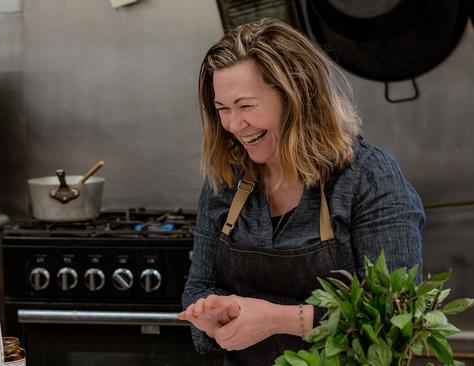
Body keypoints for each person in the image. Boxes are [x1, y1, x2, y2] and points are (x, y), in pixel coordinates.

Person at [178, 18, 425, 365]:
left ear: (297, 95)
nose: (234, 124)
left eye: (246, 105)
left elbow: (398, 316)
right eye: (222, 109)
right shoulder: (226, 179)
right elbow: (199, 285)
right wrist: (213, 314)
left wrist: (275, 319)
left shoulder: (369, 178)